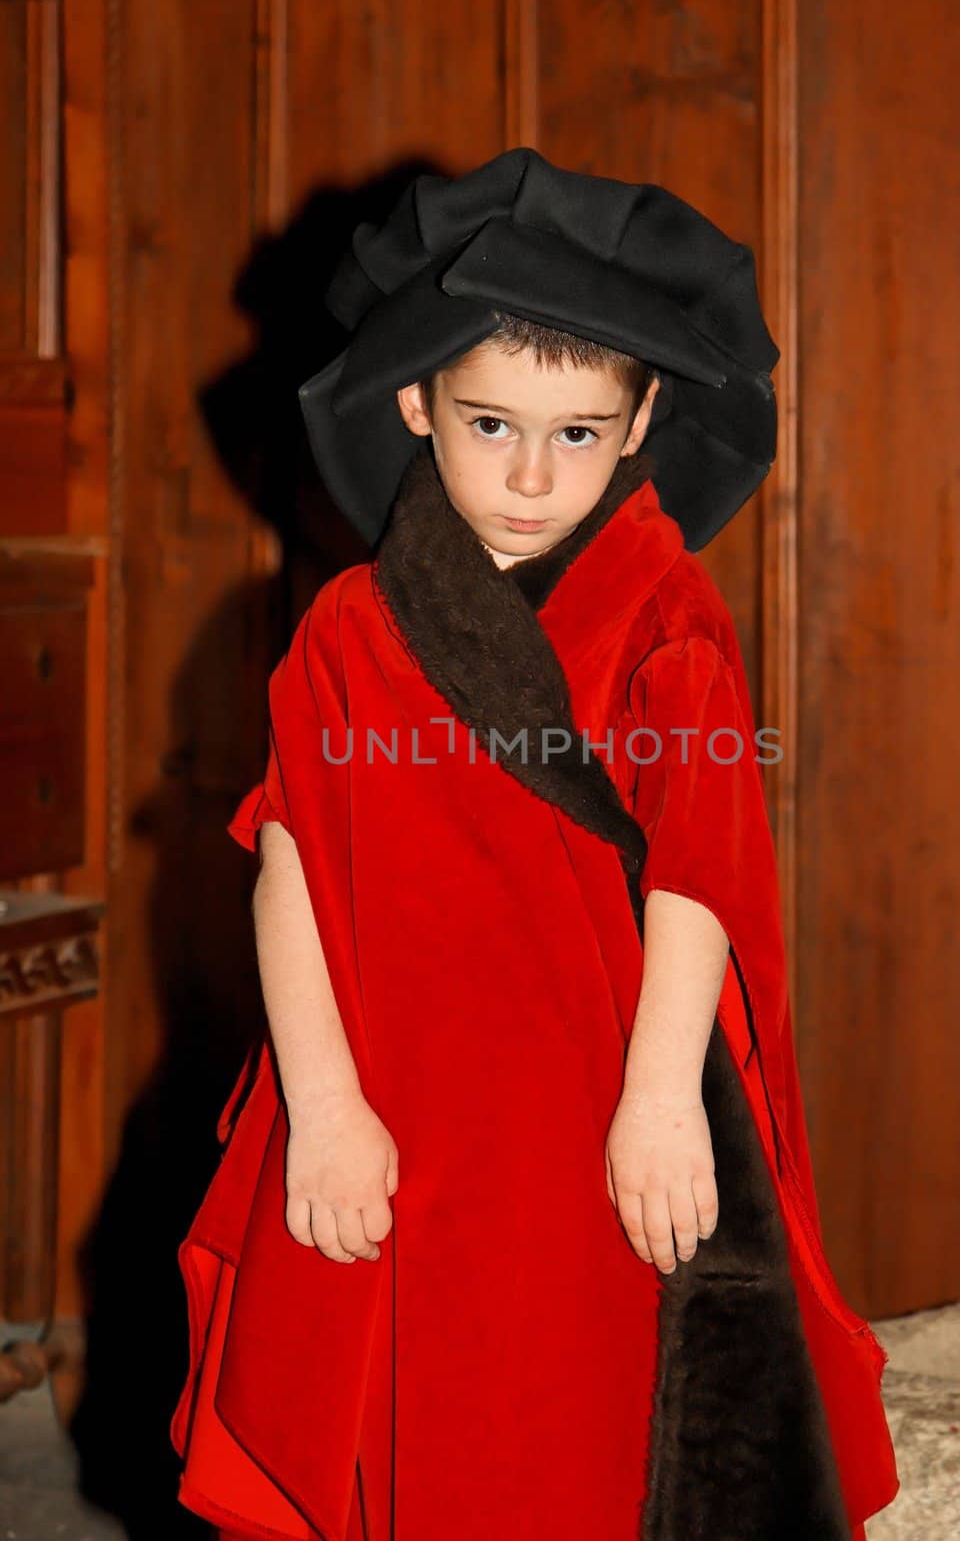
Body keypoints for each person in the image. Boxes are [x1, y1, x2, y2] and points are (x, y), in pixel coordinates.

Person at [170, 148, 899, 1541]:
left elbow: (698, 875)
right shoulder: (348, 627)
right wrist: (322, 1110)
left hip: (589, 1088)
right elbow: (293, 863)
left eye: (575, 434)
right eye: (488, 423)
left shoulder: (663, 616)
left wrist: (660, 1100)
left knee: (569, 1418)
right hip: (392, 1081)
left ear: (638, 428)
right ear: (414, 404)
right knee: (381, 1403)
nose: (526, 474)